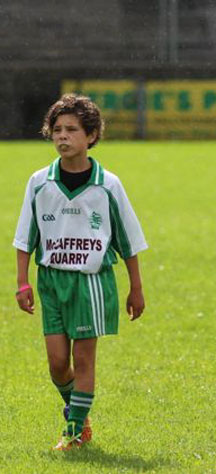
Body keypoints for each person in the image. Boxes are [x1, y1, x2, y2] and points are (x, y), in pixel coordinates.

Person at [14, 94, 148, 451]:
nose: (62, 136)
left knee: (84, 358)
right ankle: (79, 413)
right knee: (57, 363)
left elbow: (128, 242)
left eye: (72, 129)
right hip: (51, 281)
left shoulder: (108, 184)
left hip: (91, 281)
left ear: (90, 136)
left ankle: (74, 431)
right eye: (57, 129)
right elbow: (25, 237)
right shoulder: (39, 182)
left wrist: (136, 288)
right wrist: (22, 281)